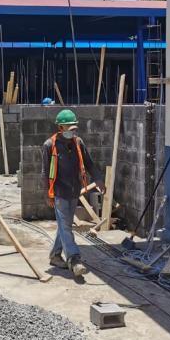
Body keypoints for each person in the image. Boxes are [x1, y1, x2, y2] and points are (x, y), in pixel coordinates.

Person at [41, 109, 105, 277]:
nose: (73, 131)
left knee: (64, 226)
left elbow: (89, 163)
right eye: (69, 127)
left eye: (74, 128)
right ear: (60, 127)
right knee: (66, 226)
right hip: (59, 192)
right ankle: (74, 259)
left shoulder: (78, 143)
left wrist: (98, 179)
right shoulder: (49, 145)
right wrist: (48, 194)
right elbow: (45, 172)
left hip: (74, 190)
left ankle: (55, 256)